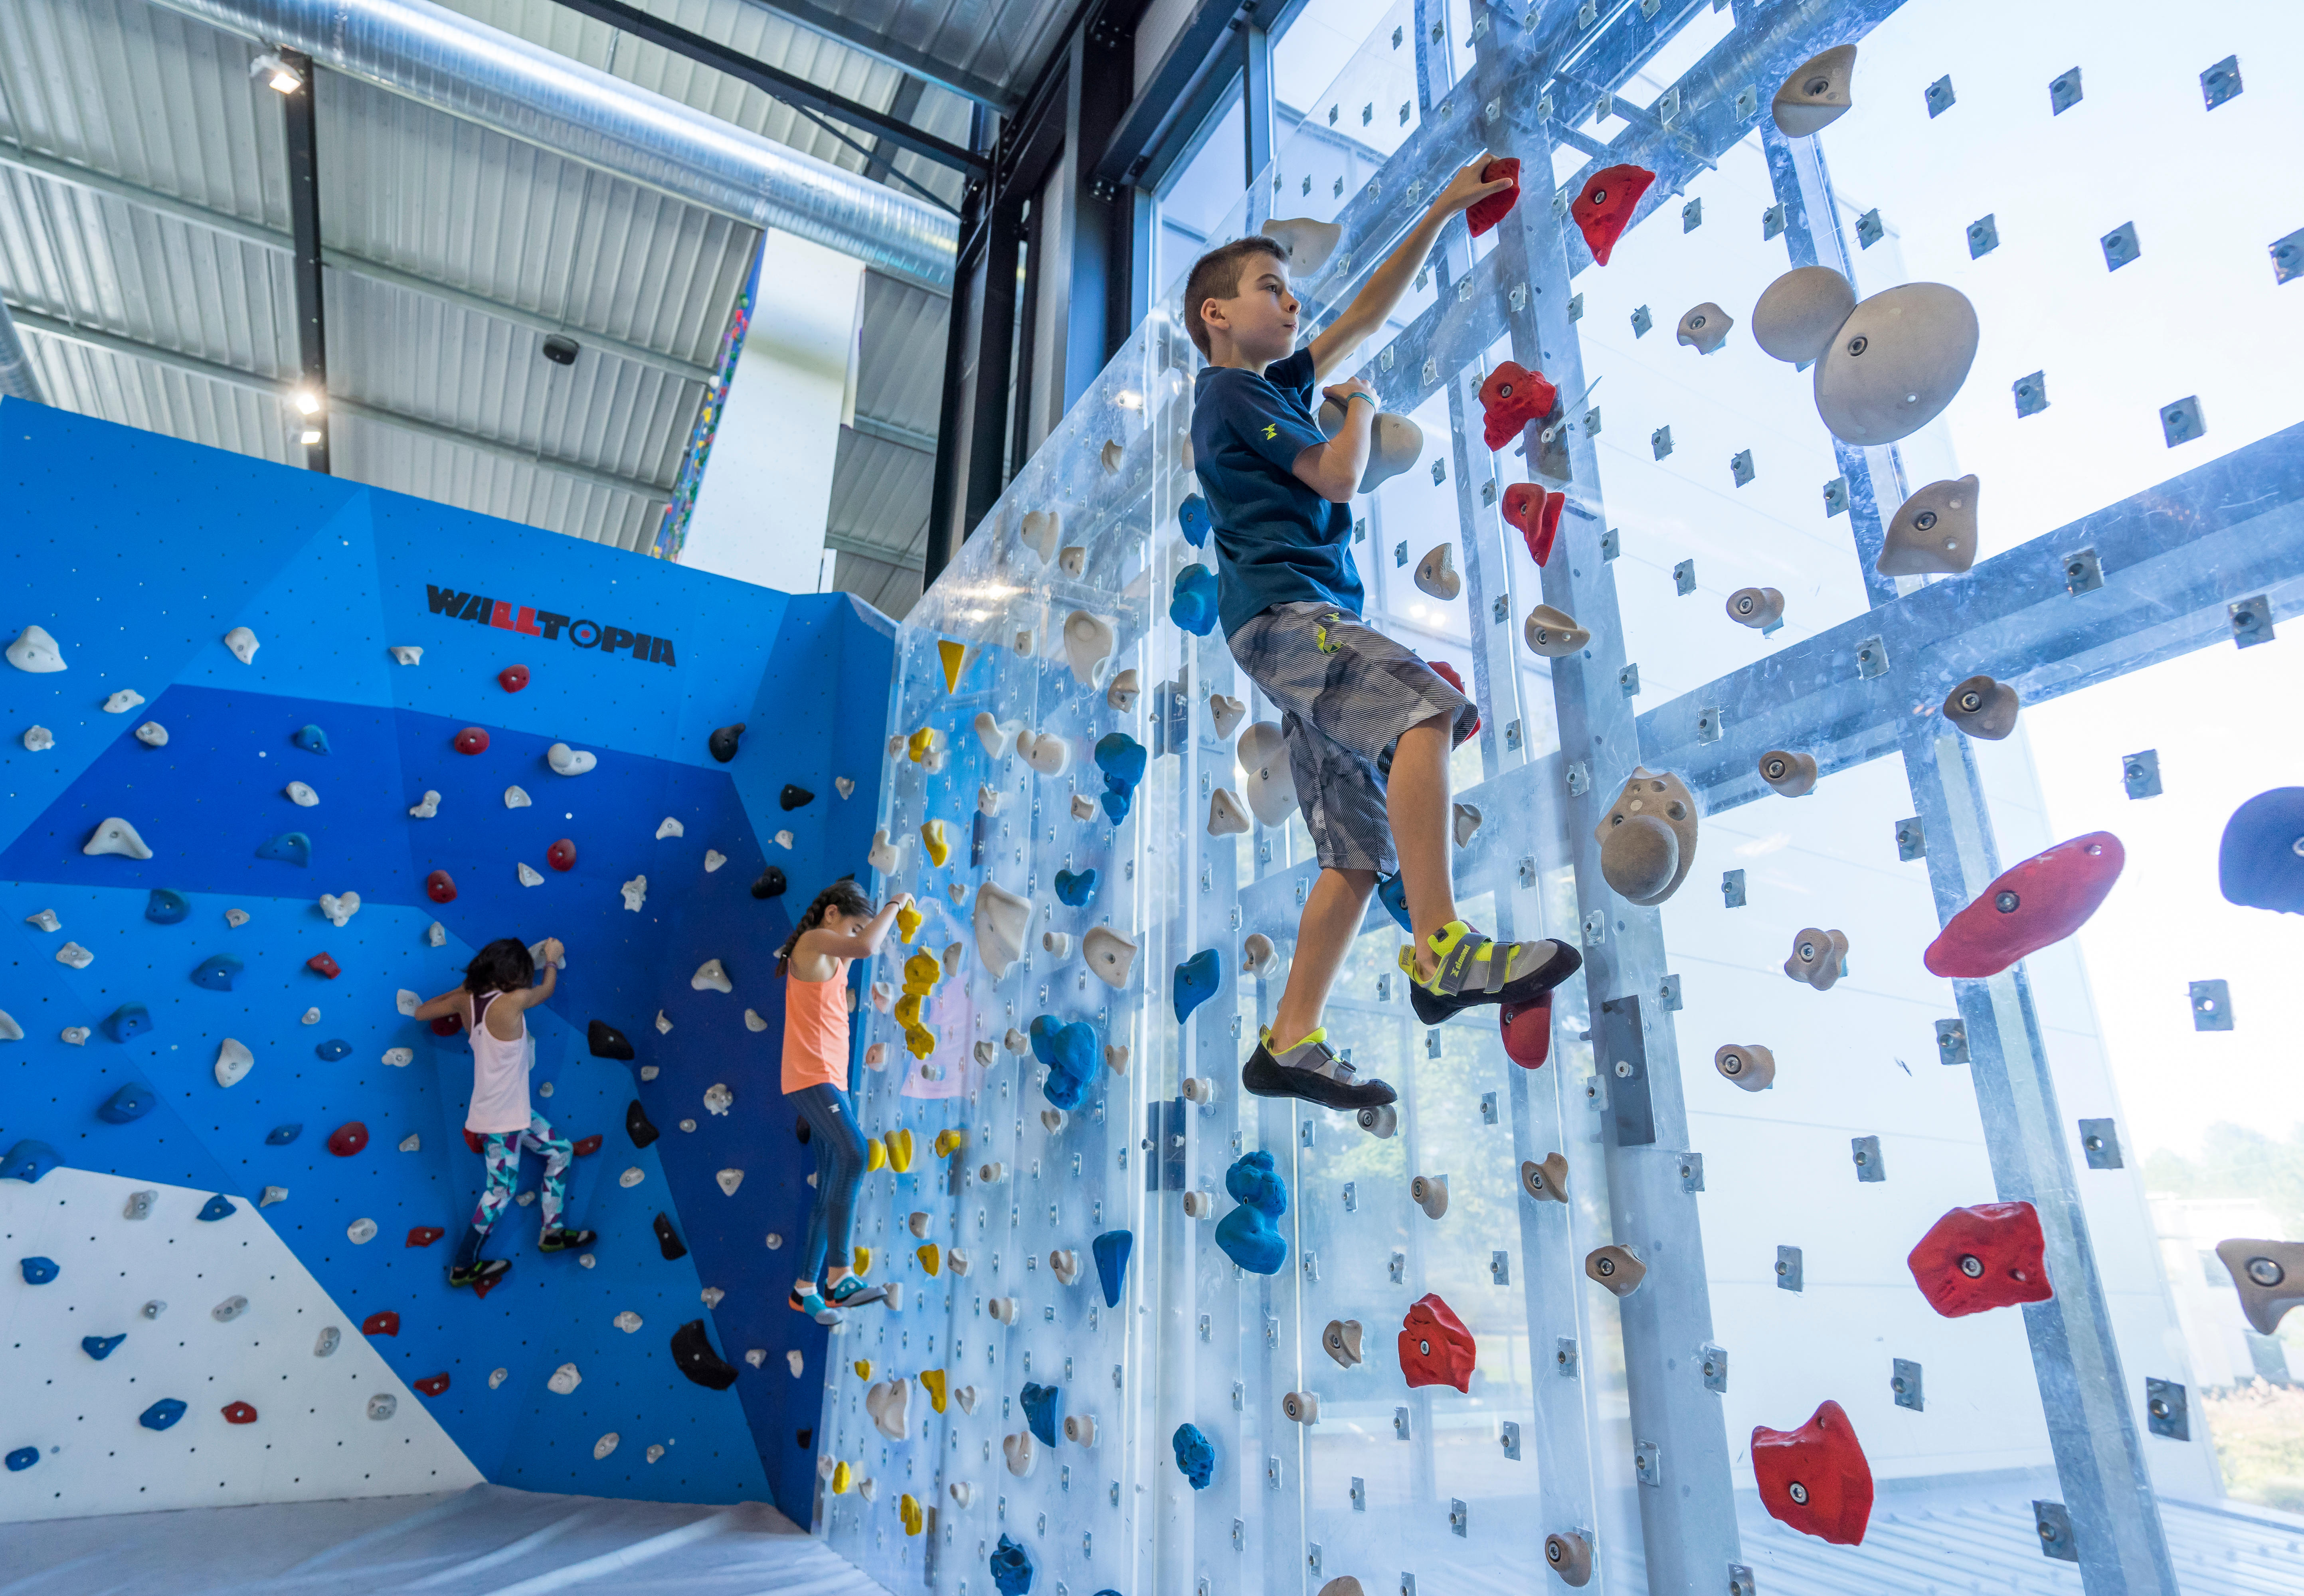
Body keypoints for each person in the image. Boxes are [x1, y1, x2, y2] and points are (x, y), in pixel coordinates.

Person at [1185, 151, 1582, 1112]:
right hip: (1290, 617)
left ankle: (1287, 1041)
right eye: (1269, 290)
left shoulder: (1272, 384)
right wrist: (1358, 409)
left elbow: (1363, 310)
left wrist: (1445, 208)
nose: (1290, 306)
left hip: (1283, 626)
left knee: (1354, 855)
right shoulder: (1230, 393)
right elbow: (1334, 475)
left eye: (1289, 293)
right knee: (1424, 707)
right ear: (1216, 316)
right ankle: (1441, 946)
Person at [413, 936, 595, 1288]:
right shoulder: (514, 1001)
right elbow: (546, 990)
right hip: (500, 1123)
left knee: (561, 1151)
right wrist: (553, 960)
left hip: (513, 1114)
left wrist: (464, 987)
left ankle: (552, 1232)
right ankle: (463, 1266)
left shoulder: (465, 1000)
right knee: (499, 1193)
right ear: (515, 976)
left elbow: (421, 1012)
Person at [778, 879, 910, 1321]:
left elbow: (866, 946)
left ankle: (804, 1288)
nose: (853, 939)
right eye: (852, 928)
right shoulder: (814, 942)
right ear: (831, 915)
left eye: (857, 931)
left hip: (829, 1079)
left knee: (832, 1178)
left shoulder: (831, 956)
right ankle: (839, 1274)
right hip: (811, 1077)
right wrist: (893, 904)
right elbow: (869, 946)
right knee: (856, 1154)